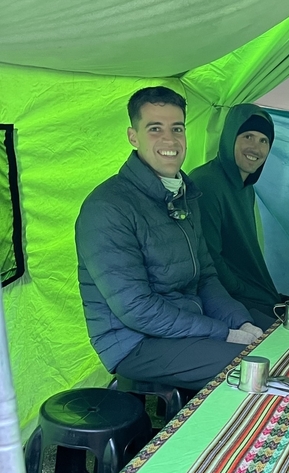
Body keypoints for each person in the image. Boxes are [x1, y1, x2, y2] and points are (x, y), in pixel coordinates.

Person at [75, 86, 265, 391]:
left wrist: (240, 322)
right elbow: (137, 309)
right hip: (134, 342)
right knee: (248, 370)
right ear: (133, 136)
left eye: (177, 128)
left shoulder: (184, 197)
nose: (169, 140)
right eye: (155, 129)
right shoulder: (107, 207)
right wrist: (223, 333)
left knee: (273, 336)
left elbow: (205, 277)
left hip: (187, 324)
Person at [190, 103, 283, 321]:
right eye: (248, 136)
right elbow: (209, 258)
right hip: (226, 301)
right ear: (230, 137)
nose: (256, 148)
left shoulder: (245, 187)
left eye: (264, 140)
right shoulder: (206, 183)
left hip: (254, 294)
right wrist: (244, 289)